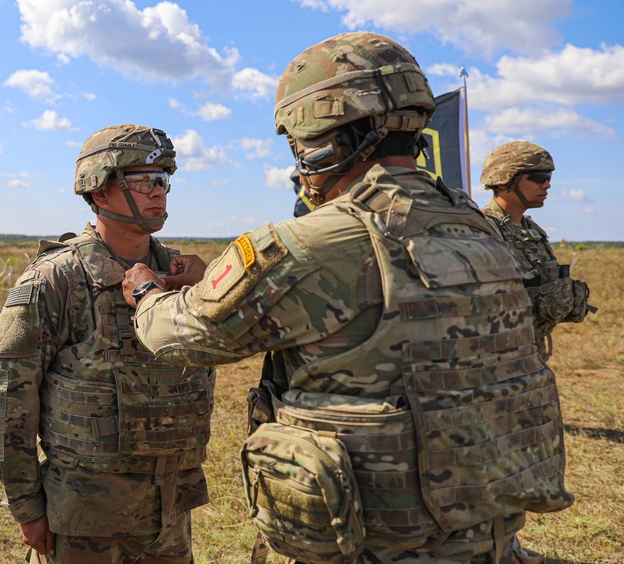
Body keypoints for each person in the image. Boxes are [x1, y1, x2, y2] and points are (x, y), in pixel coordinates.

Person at [124, 33, 573, 564]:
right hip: (488, 539)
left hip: (372, 545)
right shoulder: (479, 228)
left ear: (321, 138)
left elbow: (183, 336)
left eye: (297, 143)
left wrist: (147, 292)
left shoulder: (317, 241)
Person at [0, 124, 214, 564]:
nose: (159, 192)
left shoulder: (180, 274)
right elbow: (4, 398)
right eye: (144, 181)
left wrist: (211, 288)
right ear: (99, 191)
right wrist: (27, 507)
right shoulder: (56, 279)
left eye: (164, 181)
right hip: (86, 519)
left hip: (170, 513)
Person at [480, 141, 593, 361]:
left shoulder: (531, 230)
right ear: (505, 180)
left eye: (549, 178)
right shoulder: (480, 229)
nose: (547, 185)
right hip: (496, 358)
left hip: (532, 353)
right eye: (539, 178)